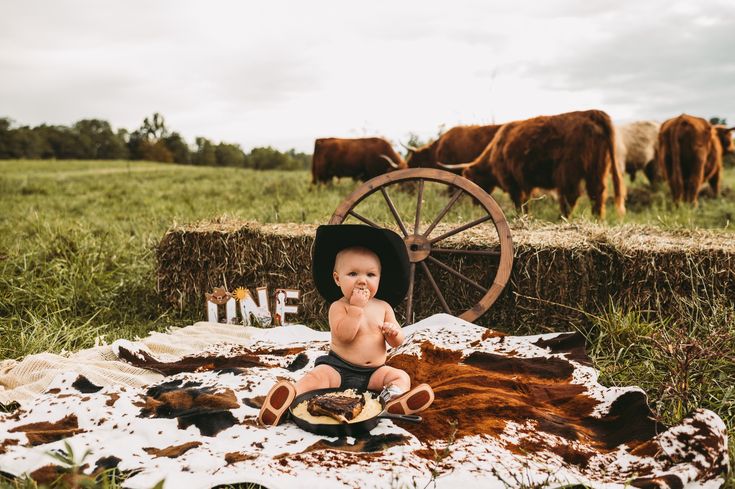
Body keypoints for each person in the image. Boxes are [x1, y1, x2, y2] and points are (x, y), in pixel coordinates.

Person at [257, 224, 434, 426]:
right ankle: (289, 397)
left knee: (400, 376)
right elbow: (344, 336)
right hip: (338, 369)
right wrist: (356, 308)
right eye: (353, 274)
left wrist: (393, 333)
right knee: (317, 377)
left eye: (370, 275)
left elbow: (397, 342)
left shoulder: (383, 307)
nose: (362, 281)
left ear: (380, 277)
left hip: (373, 373)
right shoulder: (338, 307)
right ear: (337, 279)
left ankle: (392, 399)